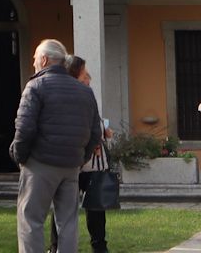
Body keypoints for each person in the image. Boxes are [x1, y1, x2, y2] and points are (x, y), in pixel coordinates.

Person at [12, 39, 102, 253]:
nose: (33, 62)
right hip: (71, 165)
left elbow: (24, 128)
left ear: (43, 59)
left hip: (40, 163)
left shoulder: (36, 86)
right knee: (68, 222)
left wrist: (20, 156)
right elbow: (95, 132)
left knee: (31, 219)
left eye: (35, 58)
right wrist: (80, 159)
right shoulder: (84, 91)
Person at [47, 56, 113, 253]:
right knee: (64, 207)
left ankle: (97, 246)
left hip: (92, 163)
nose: (87, 82)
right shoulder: (70, 96)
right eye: (85, 77)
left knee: (95, 207)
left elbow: (95, 124)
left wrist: (102, 132)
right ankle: (58, 246)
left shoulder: (84, 96)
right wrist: (100, 133)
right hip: (75, 161)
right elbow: (88, 126)